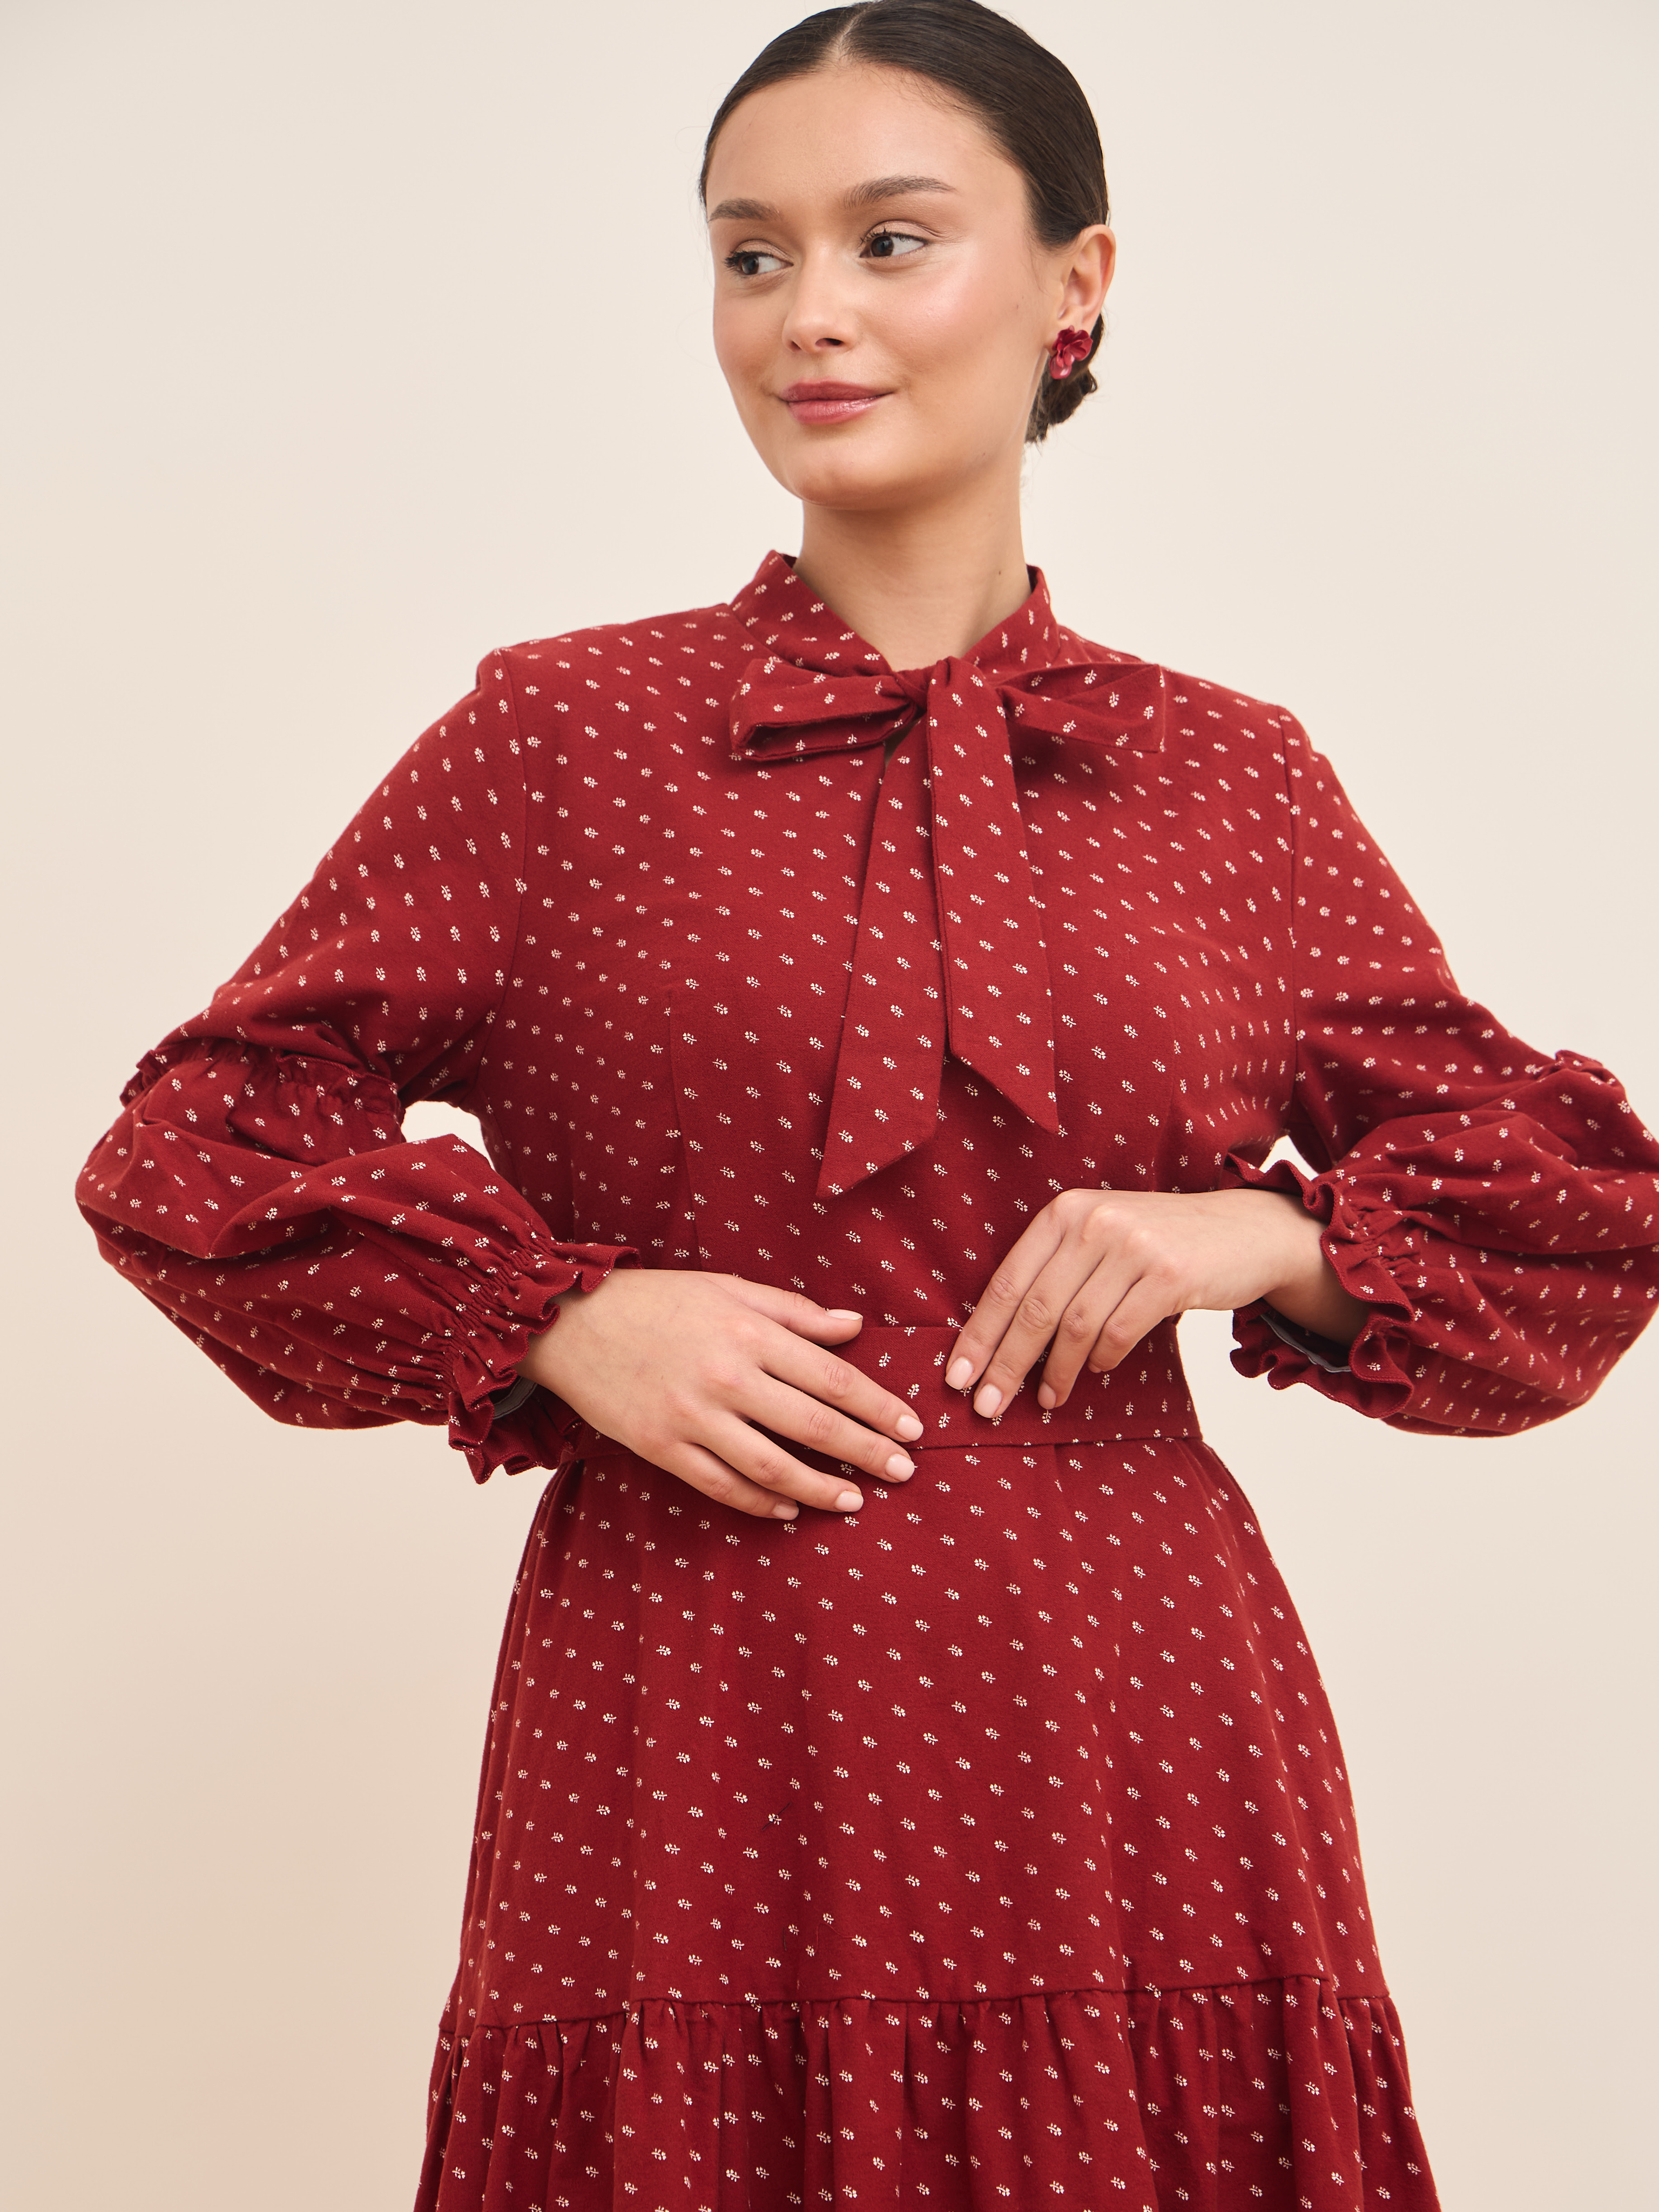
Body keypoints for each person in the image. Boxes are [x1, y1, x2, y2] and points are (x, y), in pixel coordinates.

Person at [75, 3, 1659, 2206]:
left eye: (890, 241)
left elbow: (1579, 1219)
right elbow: (187, 1147)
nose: (806, 313)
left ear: (1075, 285)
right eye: (751, 255)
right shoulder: (561, 742)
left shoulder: (1224, 775)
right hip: (691, 1734)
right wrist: (556, 1313)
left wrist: (1270, 1237)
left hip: (1136, 1745)